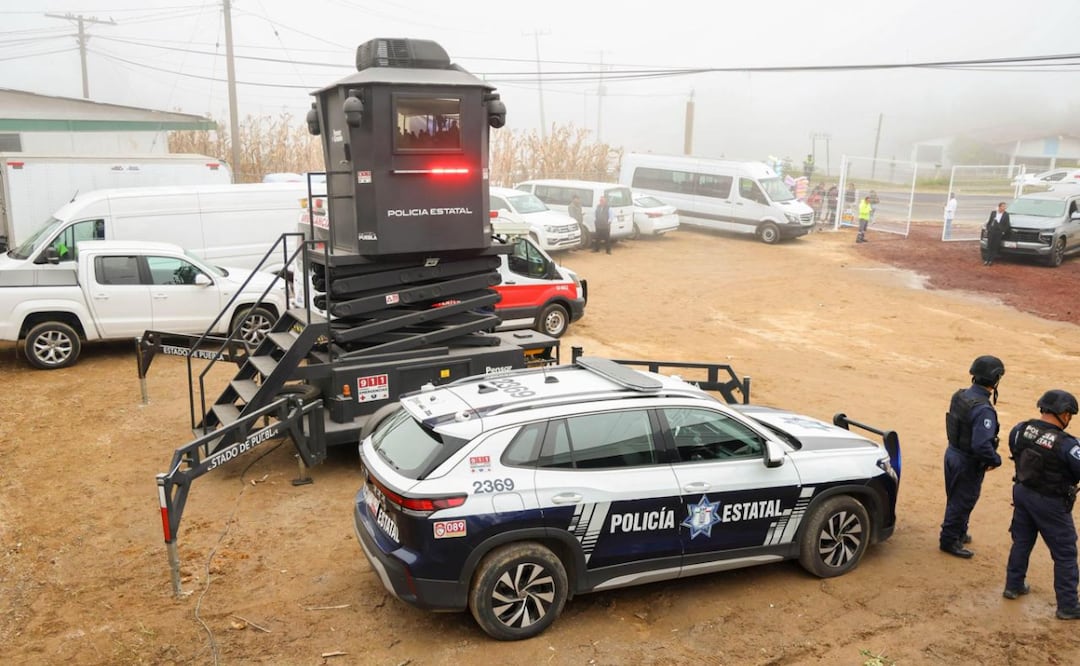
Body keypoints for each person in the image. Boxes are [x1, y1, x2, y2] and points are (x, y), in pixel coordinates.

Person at [1003, 389, 1080, 620]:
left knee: (1022, 541)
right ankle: (1068, 606)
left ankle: (1013, 585)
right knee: (1065, 553)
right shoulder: (1068, 445)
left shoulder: (1021, 429)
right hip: (1051, 502)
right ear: (1064, 415)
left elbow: (1015, 451)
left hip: (1022, 492)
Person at [939, 355, 1005, 558]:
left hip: (952, 453)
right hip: (967, 461)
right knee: (963, 500)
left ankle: (959, 532)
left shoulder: (959, 396)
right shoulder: (983, 410)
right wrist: (995, 459)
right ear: (995, 379)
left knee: (955, 496)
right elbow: (980, 444)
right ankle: (949, 540)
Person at [982, 201, 1011, 266]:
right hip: (991, 231)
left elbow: (1007, 224)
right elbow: (989, 221)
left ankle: (991, 260)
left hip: (998, 233)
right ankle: (986, 260)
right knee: (989, 246)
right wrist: (988, 228)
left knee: (994, 247)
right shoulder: (993, 213)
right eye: (1003, 206)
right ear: (999, 207)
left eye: (1005, 206)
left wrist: (1003, 231)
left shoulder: (1006, 214)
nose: (1004, 207)